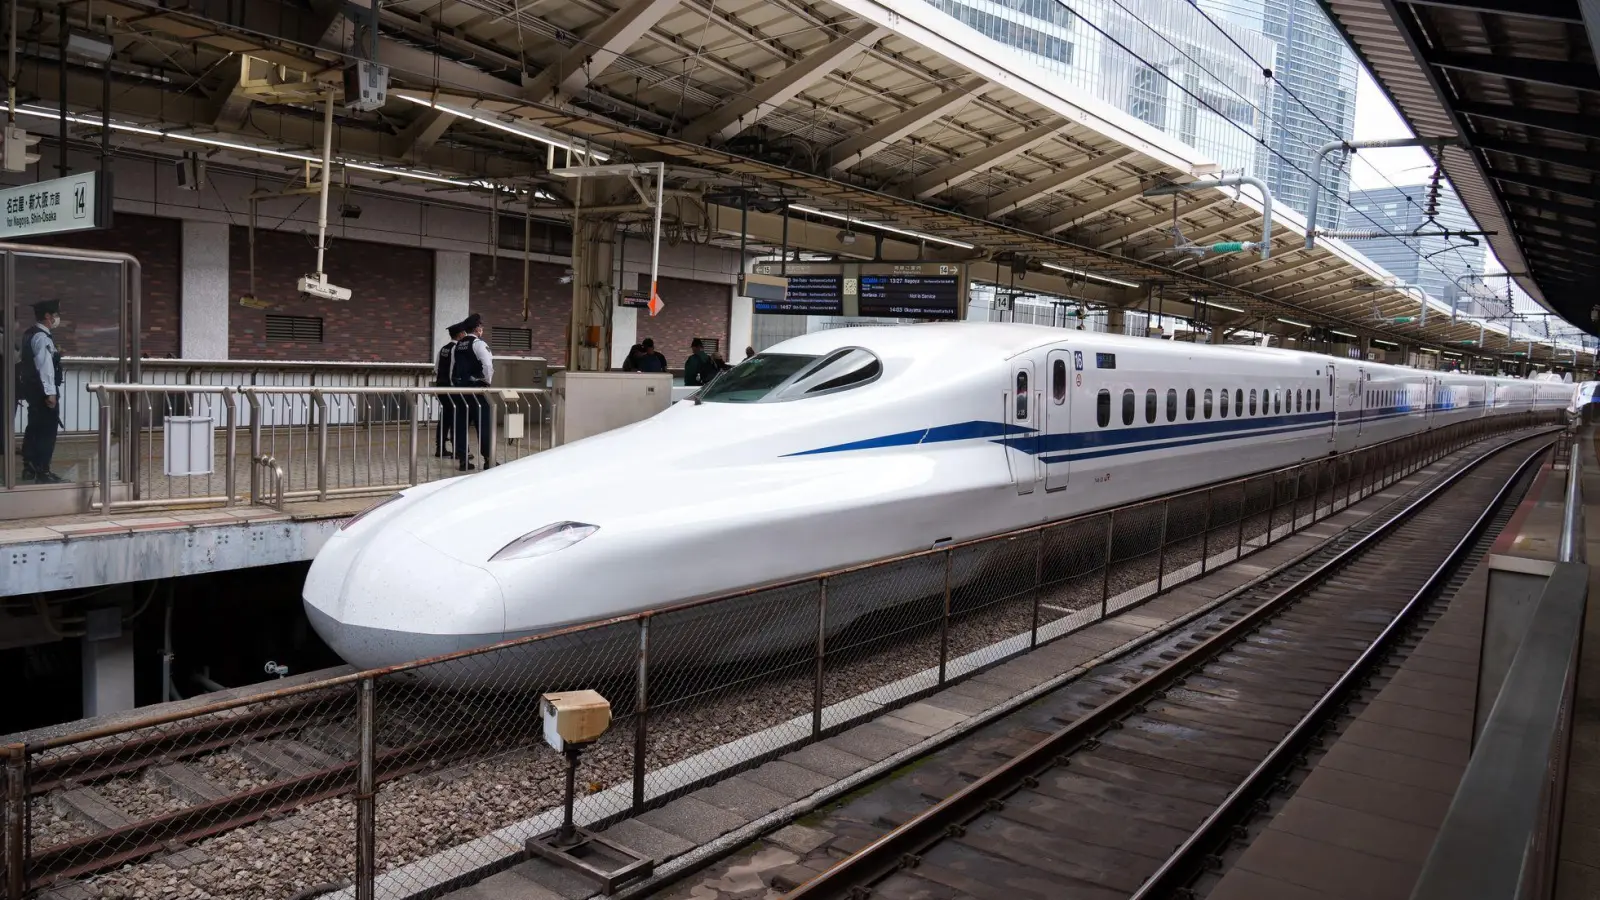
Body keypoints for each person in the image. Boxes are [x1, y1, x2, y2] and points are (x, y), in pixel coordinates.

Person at [17, 299, 65, 483]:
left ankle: (29, 468)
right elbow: (45, 367)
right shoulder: (42, 337)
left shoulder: (29, 334)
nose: (57, 318)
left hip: (32, 390)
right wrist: (50, 393)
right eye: (55, 315)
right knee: (47, 432)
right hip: (43, 392)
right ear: (47, 316)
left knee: (34, 428)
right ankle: (43, 471)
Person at [449, 313, 494, 471]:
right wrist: (487, 382)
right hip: (477, 390)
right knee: (484, 425)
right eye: (481, 327)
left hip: (461, 390)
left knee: (461, 425)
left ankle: (463, 460)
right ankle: (488, 459)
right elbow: (488, 366)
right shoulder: (479, 344)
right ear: (477, 328)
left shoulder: (457, 346)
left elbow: (452, 369)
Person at [434, 321, 465, 457]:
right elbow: (453, 368)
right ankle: (457, 450)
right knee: (455, 418)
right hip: (451, 388)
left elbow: (436, 368)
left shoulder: (443, 349)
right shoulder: (455, 349)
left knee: (445, 417)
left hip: (441, 386)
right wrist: (454, 385)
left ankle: (440, 448)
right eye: (463, 333)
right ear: (459, 335)